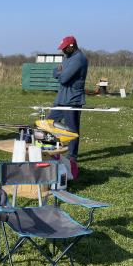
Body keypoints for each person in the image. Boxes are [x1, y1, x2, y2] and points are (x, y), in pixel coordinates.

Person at [48, 35, 88, 178]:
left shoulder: (79, 59)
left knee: (72, 131)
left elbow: (64, 78)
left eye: (64, 48)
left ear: (72, 46)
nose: (62, 51)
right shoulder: (68, 58)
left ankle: (72, 158)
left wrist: (60, 72)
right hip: (61, 99)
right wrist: (59, 72)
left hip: (72, 100)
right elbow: (55, 72)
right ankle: (51, 151)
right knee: (49, 124)